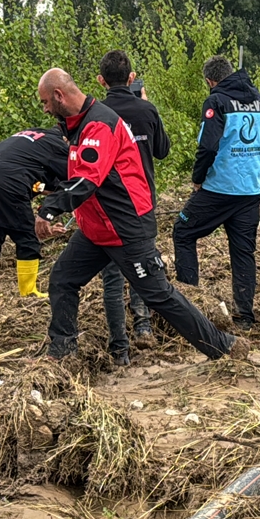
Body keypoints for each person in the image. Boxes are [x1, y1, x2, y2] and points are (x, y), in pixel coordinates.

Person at [34, 68, 247, 364]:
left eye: (45, 101)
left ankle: (223, 346)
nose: (44, 109)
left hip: (125, 226)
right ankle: (62, 352)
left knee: (159, 295)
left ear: (59, 95)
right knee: (62, 279)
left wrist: (50, 208)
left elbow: (87, 179)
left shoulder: (99, 125)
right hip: (96, 228)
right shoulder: (78, 125)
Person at [172, 56, 260, 330]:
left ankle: (190, 307)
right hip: (250, 191)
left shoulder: (216, 101)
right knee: (243, 252)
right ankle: (244, 316)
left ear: (210, 81)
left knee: (183, 232)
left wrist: (197, 178)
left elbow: (208, 147)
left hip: (217, 190)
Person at [97, 50, 171, 358]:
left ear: (101, 81)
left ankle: (120, 349)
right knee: (143, 268)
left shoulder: (95, 114)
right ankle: (144, 327)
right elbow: (162, 151)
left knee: (112, 276)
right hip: (141, 204)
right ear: (131, 78)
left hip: (107, 209)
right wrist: (146, 105)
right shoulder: (146, 109)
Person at [0, 129, 69, 295]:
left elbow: (38, 180)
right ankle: (28, 292)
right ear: (67, 138)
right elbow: (73, 180)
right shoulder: (58, 145)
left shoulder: (32, 136)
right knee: (27, 239)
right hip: (5, 183)